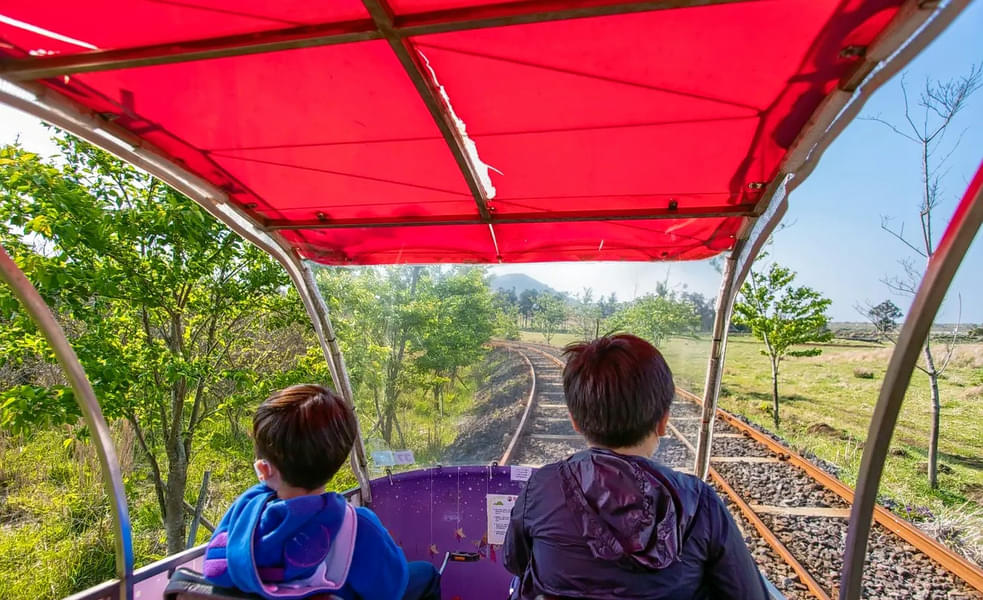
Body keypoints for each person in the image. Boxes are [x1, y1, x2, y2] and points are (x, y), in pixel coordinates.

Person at [503, 335, 768, 599]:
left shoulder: (541, 488)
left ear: (575, 420)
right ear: (663, 422)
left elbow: (515, 562)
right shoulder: (700, 503)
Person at [201, 384, 440, 600]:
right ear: (339, 460)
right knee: (426, 574)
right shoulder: (357, 527)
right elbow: (390, 589)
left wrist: (270, 478)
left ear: (263, 470)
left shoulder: (244, 513)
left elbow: (215, 569)